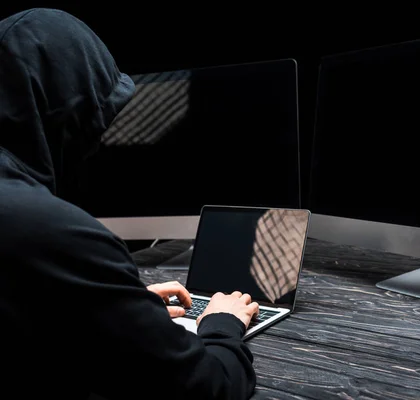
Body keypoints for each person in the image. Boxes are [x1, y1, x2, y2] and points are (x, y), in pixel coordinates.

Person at [0, 8, 259, 400]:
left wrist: (107, 303)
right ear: (72, 111)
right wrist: (222, 324)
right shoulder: (50, 232)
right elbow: (210, 389)